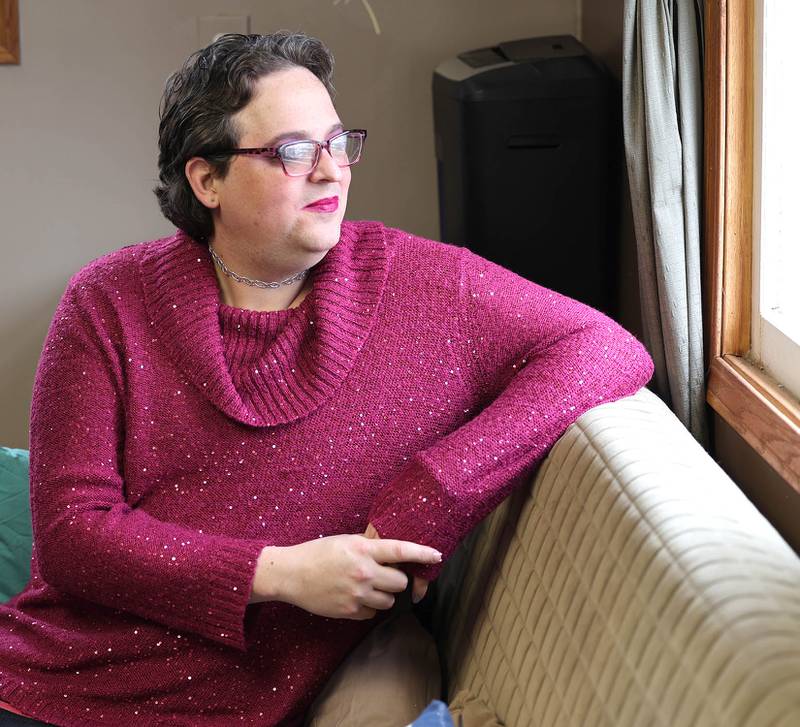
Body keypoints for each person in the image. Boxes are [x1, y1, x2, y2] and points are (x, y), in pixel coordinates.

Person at [0, 31, 654, 726]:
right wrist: (281, 573)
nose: (331, 171)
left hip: (240, 705)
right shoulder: (106, 301)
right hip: (45, 684)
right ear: (207, 180)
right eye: (293, 151)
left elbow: (606, 347)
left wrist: (436, 491)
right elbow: (72, 536)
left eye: (339, 144)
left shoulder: (429, 288)